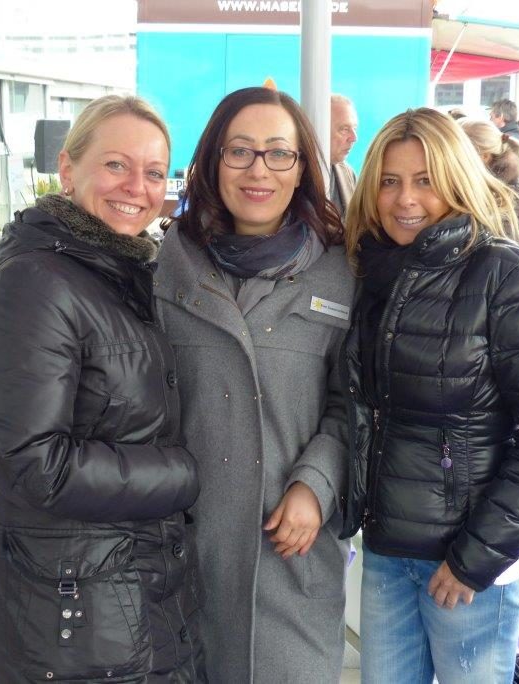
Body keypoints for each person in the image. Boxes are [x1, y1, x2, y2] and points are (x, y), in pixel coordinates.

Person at [0, 95, 204, 682]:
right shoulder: (36, 284)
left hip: (127, 585)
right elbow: (36, 465)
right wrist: (185, 474)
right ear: (68, 170)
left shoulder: (119, 270)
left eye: (154, 172)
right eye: (116, 165)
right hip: (77, 612)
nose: (137, 187)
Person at [339, 108, 519, 683]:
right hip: (387, 548)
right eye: (390, 181)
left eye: (425, 180)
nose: (406, 199)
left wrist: (476, 557)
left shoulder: (511, 277)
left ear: (457, 179)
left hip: (469, 565)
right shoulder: (369, 274)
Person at [155, 86, 355, 682]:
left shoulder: (342, 272)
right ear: (212, 162)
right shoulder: (163, 265)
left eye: (278, 153)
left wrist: (318, 483)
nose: (258, 170)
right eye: (239, 151)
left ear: (302, 168)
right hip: (183, 548)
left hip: (291, 550)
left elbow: (357, 399)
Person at [459, 117, 519, 251]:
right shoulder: (473, 184)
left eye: (456, 153)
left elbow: (500, 253)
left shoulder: (510, 194)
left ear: (484, 156)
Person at [329, 93, 359, 215]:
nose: (354, 138)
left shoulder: (348, 173)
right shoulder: (295, 174)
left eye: (354, 129)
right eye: (345, 129)